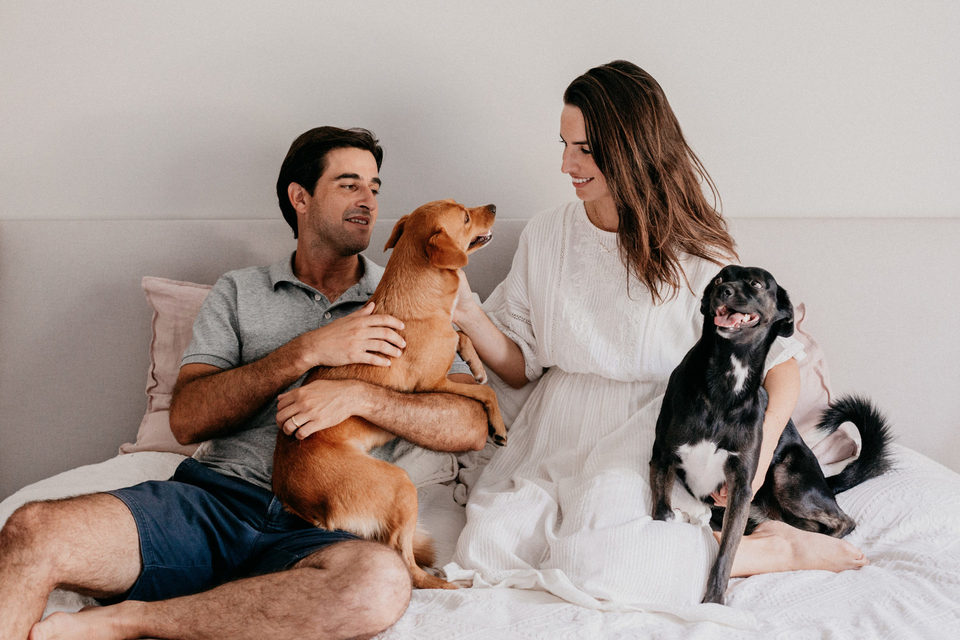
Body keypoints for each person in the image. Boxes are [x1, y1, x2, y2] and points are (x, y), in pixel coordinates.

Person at [0, 126, 489, 640]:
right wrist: (306, 350)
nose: (368, 200)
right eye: (349, 185)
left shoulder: (414, 289)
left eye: (374, 187)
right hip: (212, 502)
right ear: (300, 197)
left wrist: (359, 395)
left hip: (323, 525)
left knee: (379, 586)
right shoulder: (238, 291)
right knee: (34, 528)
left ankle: (128, 619)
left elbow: (471, 425)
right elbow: (187, 419)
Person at [445, 61, 868, 613]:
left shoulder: (697, 252)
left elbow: (780, 365)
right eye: (564, 144)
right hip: (557, 420)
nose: (567, 164)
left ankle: (769, 549)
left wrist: (758, 460)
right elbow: (521, 366)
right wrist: (468, 312)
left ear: (632, 149)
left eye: (586, 149)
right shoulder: (547, 233)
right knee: (486, 549)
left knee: (602, 562)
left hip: (649, 425)